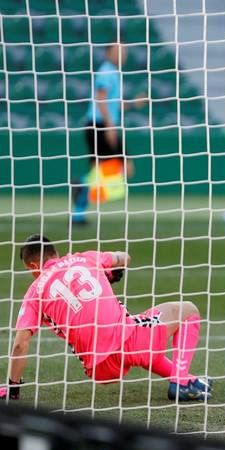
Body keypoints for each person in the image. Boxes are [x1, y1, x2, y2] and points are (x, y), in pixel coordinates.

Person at [0, 235, 212, 402]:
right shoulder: (85, 258)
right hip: (126, 339)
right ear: (56, 253)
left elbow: (20, 344)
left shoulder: (34, 292)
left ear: (32, 266)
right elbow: (124, 257)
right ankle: (181, 382)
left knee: (143, 345)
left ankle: (190, 380)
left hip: (99, 368)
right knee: (188, 310)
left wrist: (12, 387)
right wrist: (112, 271)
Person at [72, 42, 144, 226]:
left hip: (99, 124)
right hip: (100, 125)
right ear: (108, 53)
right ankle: (81, 186)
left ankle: (78, 211)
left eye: (125, 51)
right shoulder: (106, 72)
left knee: (102, 172)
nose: (123, 54)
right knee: (126, 167)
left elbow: (114, 103)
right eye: (118, 51)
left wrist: (134, 104)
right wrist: (111, 127)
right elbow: (101, 100)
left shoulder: (113, 73)